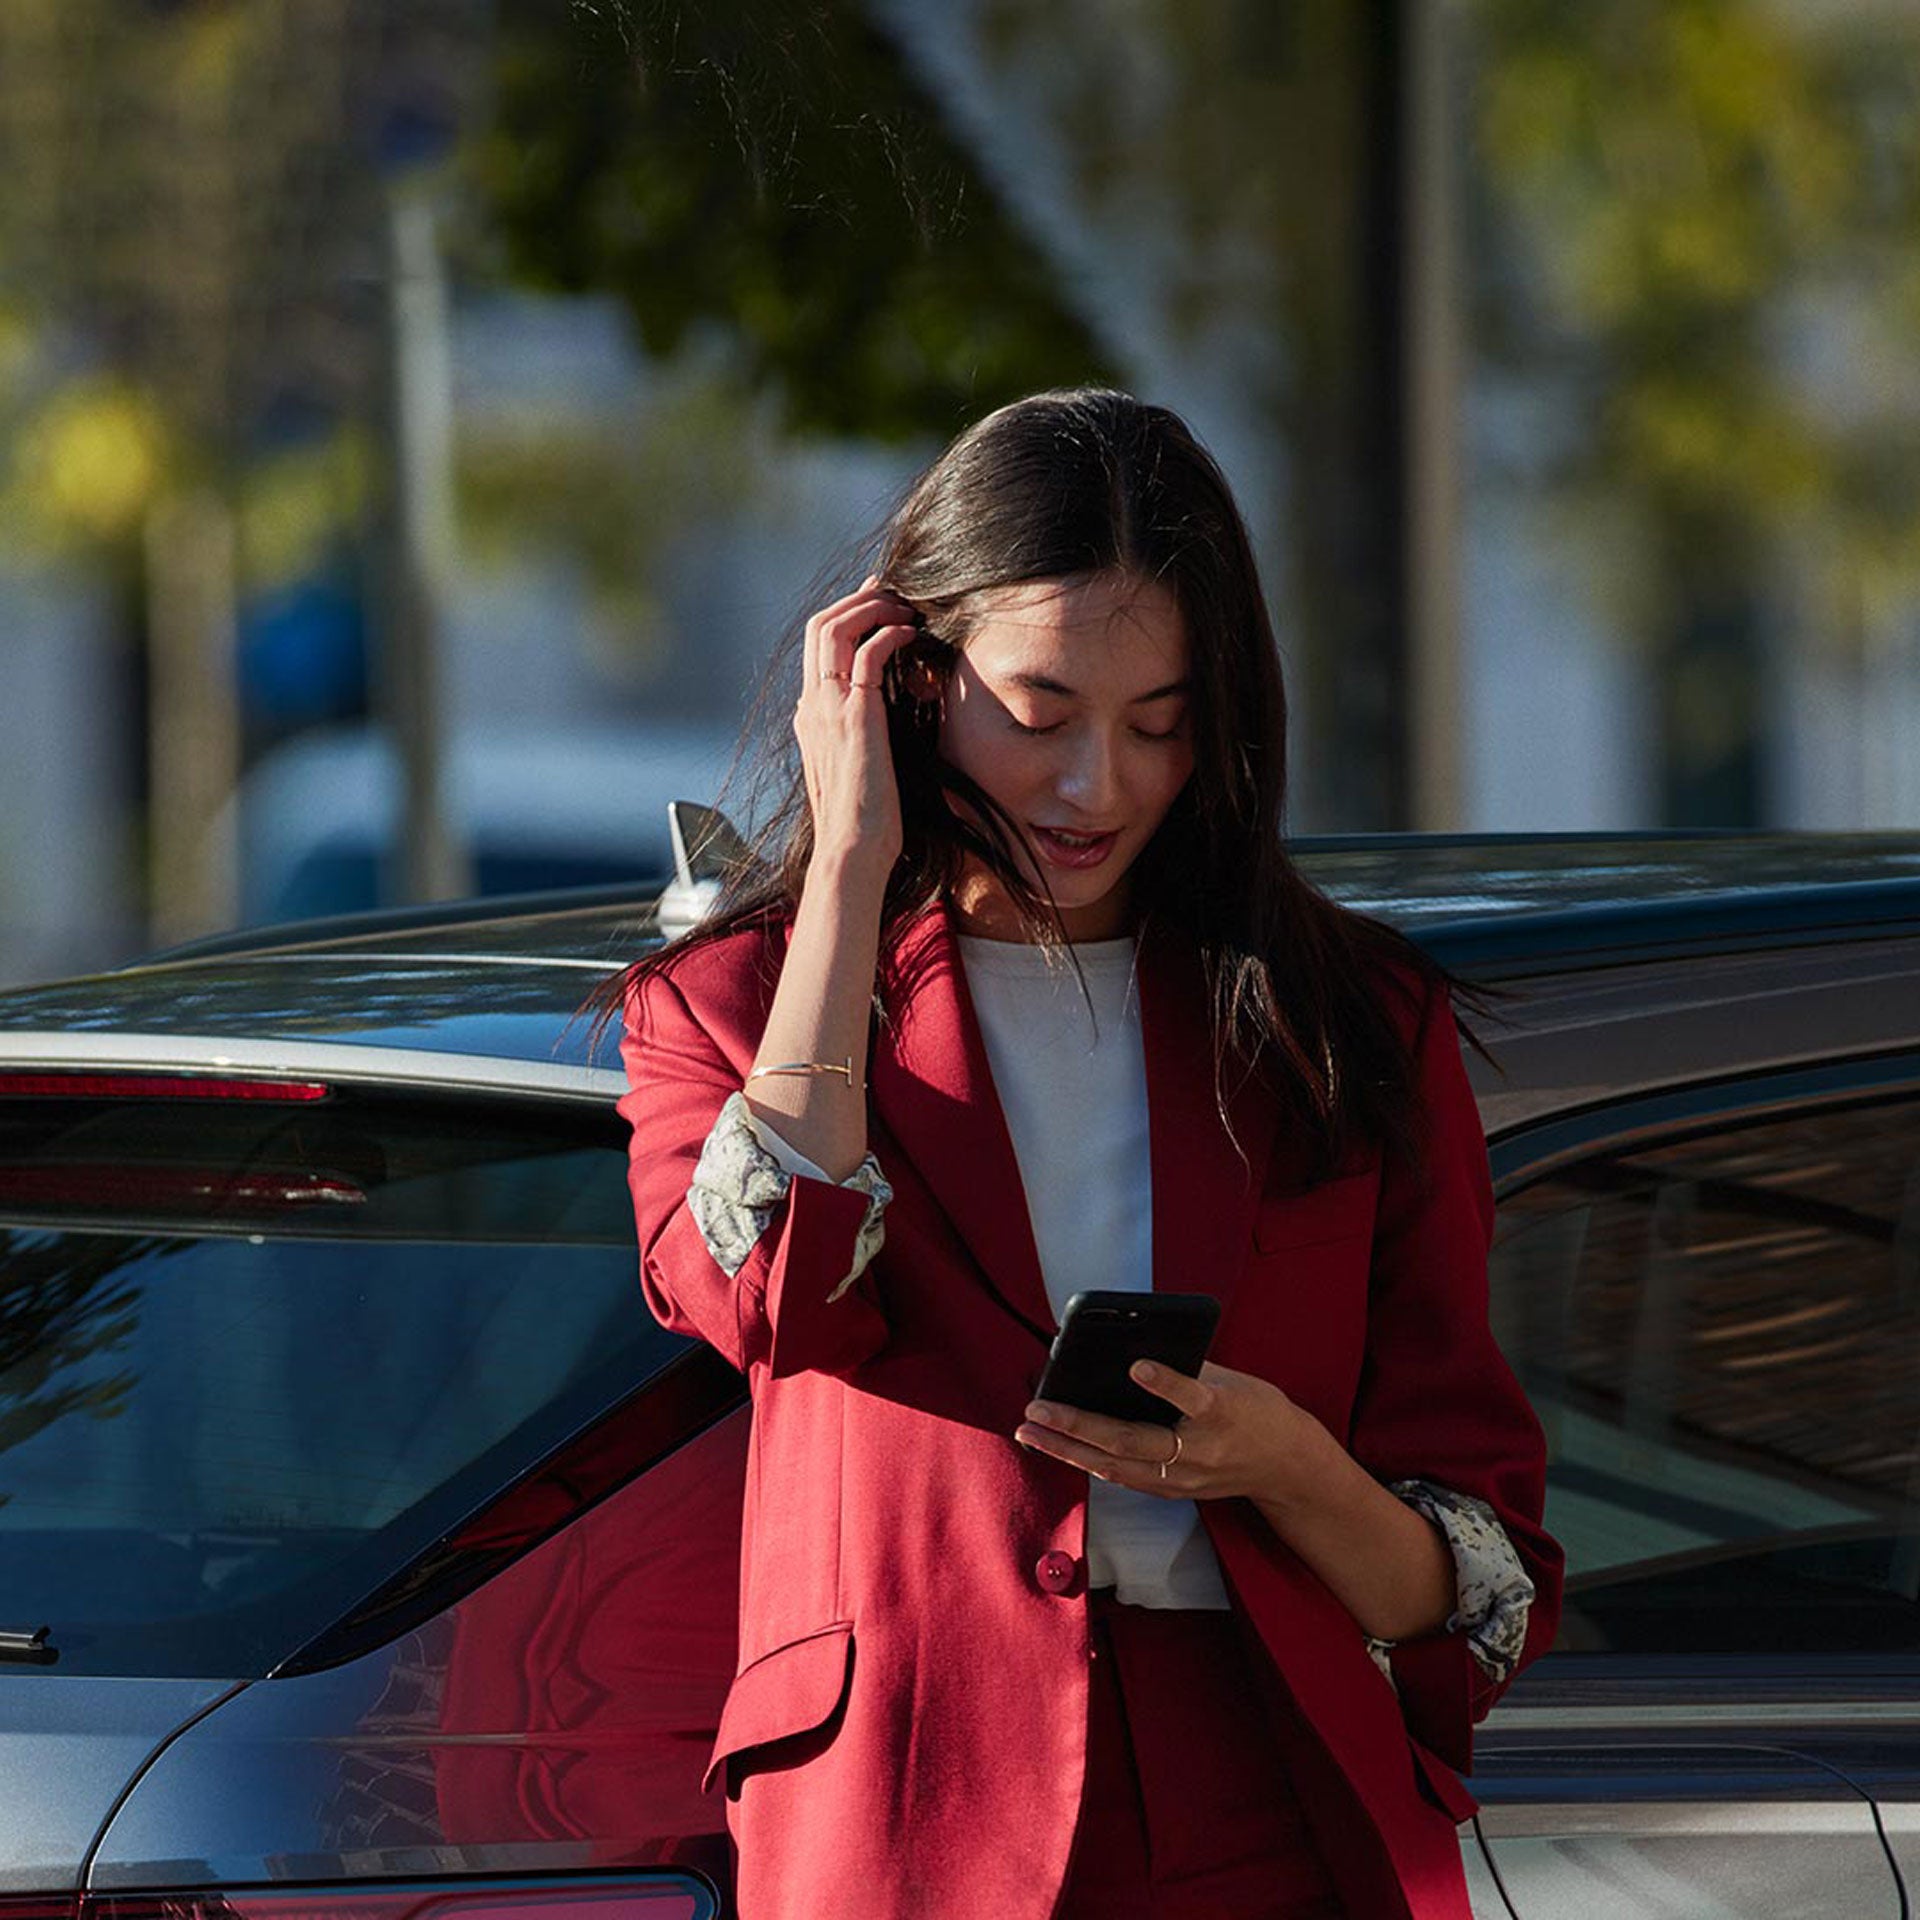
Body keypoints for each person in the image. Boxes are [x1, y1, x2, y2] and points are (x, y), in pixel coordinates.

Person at [609, 388, 1563, 1920]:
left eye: (1159, 728)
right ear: (906, 685)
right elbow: (774, 1305)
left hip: (1274, 1796)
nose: (1095, 786)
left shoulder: (1354, 1025)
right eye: (1039, 715)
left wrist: (1284, 1464)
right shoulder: (728, 1009)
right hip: (915, 1814)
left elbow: (1482, 1589)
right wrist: (848, 864)